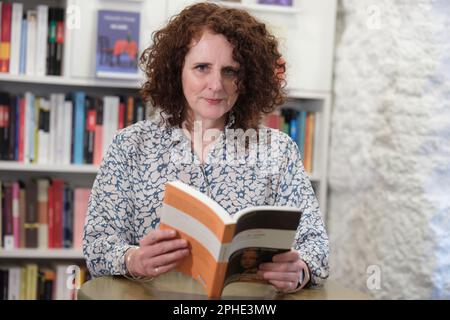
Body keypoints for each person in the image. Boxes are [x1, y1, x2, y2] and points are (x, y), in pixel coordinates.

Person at [83, 2, 329, 293]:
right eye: (202, 68)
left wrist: (299, 270)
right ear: (177, 71)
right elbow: (97, 245)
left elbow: (317, 248)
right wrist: (133, 259)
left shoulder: (278, 149)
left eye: (230, 71)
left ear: (247, 79)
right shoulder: (130, 146)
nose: (216, 85)